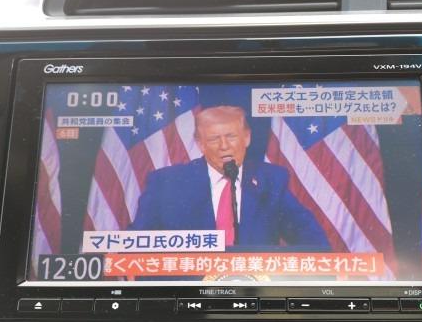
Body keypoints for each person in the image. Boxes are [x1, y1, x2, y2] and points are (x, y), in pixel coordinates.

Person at [130, 105, 328, 249]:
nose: (224, 146)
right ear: (200, 144)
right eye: (214, 139)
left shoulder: (271, 180)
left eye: (231, 137)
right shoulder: (167, 183)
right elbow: (136, 242)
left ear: (247, 138)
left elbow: (313, 239)